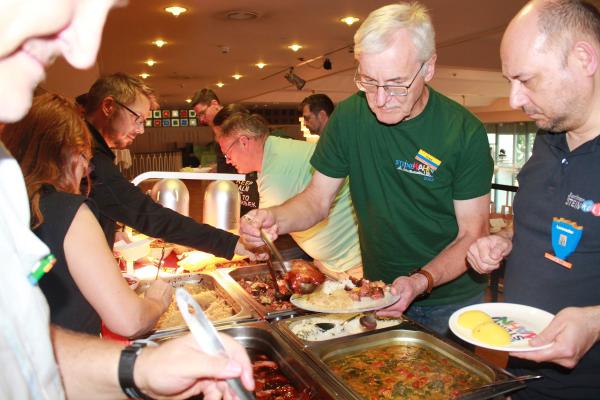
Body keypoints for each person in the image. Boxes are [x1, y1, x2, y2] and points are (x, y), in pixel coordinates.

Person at [0, 1, 253, 399]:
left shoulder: (16, 190)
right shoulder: (68, 203)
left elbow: (24, 345)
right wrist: (226, 245)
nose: (81, 50)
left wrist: (142, 368)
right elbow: (146, 217)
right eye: (138, 118)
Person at [240, 1, 493, 335]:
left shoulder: (463, 133)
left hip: (448, 298)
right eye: (369, 82)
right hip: (376, 290)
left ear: (429, 68)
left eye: (396, 84)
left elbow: (473, 233)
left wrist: (420, 281)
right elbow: (316, 200)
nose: (380, 99)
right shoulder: (349, 117)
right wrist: (274, 218)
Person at [467, 1, 600, 398]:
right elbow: (544, 222)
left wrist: (596, 321)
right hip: (522, 376)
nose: (514, 99)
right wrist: (505, 240)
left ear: (584, 59)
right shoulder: (547, 138)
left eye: (526, 80)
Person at [3, 93, 173, 337]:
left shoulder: (11, 204)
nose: (86, 170)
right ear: (71, 153)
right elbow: (130, 320)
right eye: (86, 158)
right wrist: (157, 300)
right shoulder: (69, 211)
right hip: (69, 356)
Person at [83, 73, 254, 261]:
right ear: (108, 106)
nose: (141, 130)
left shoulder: (87, 148)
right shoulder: (88, 157)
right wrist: (230, 243)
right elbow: (148, 214)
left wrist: (112, 230)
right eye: (138, 119)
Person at [216, 107, 363, 279]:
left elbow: (261, 234)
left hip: (353, 263)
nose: (228, 161)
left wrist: (245, 243)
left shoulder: (275, 173)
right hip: (335, 261)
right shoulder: (277, 148)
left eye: (227, 154)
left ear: (243, 142)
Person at [192, 88, 260, 216]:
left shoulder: (233, 118)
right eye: (198, 116)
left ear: (214, 104)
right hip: (232, 191)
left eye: (202, 113)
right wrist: (218, 167)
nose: (201, 119)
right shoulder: (217, 127)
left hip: (249, 193)